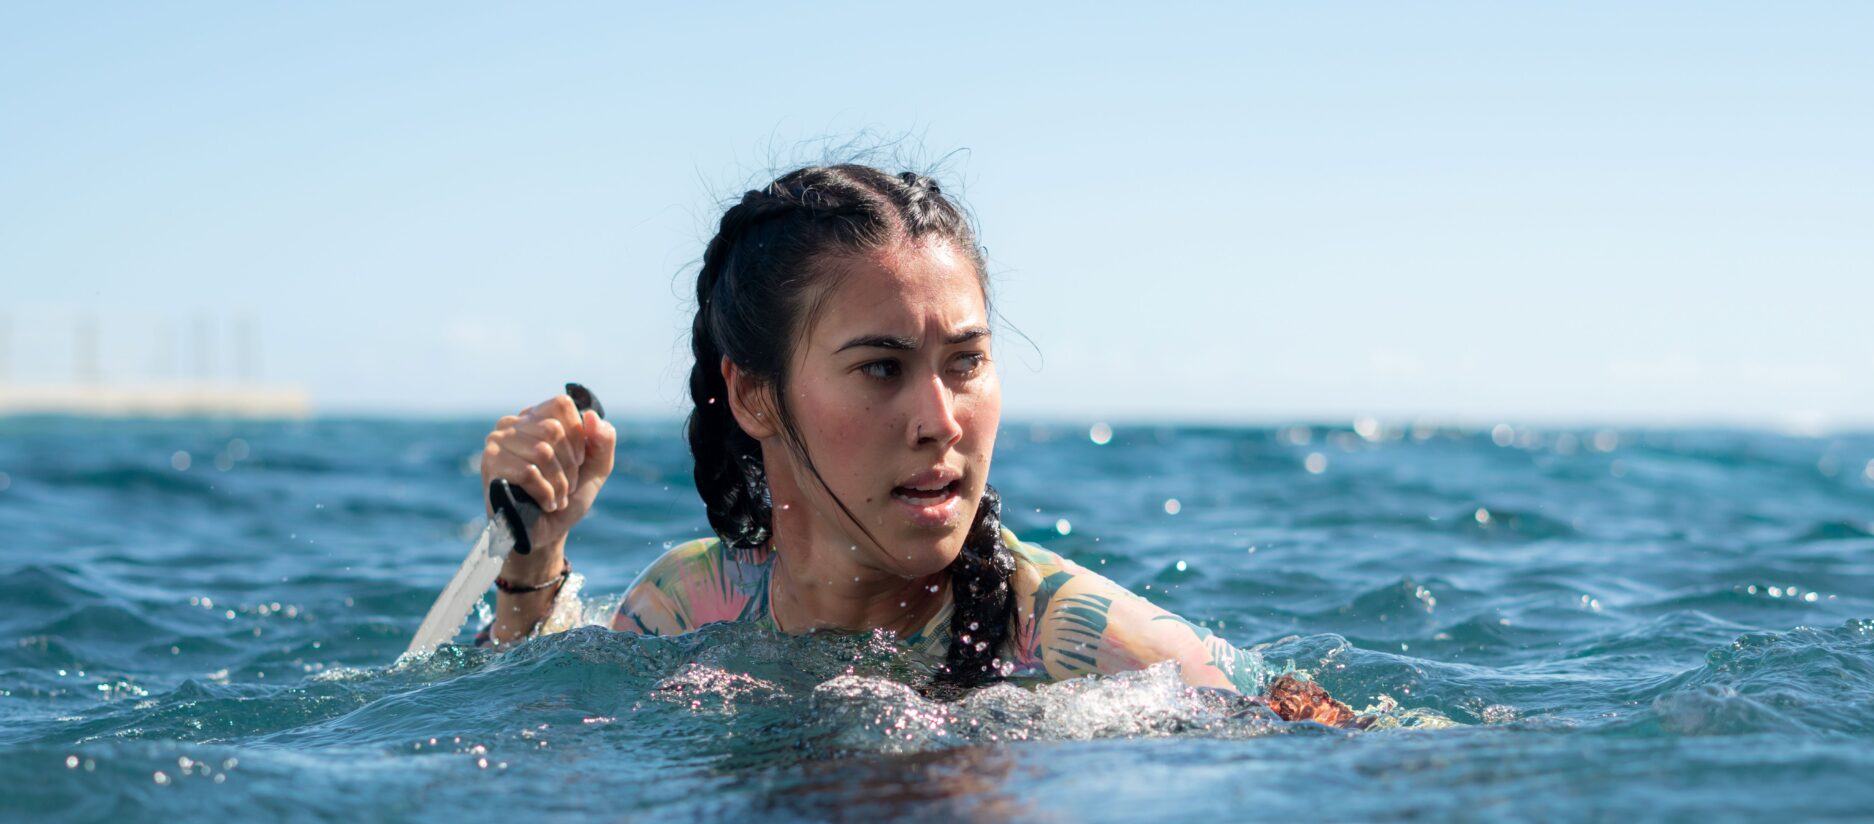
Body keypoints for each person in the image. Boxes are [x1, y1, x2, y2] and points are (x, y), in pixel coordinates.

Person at [476, 164, 1357, 724]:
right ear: (753, 394)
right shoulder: (691, 597)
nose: (940, 418)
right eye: (881, 368)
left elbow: (1351, 762)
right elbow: (521, 734)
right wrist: (533, 559)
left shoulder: (1086, 645)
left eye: (966, 362)